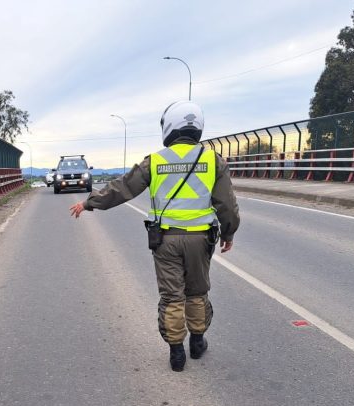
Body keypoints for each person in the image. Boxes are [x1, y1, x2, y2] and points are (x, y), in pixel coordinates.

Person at [70, 101, 240, 372]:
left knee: (173, 295)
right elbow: (227, 205)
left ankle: (176, 354)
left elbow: (123, 188)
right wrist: (229, 232)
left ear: (169, 127)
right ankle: (197, 343)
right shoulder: (212, 160)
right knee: (197, 291)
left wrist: (90, 203)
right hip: (201, 240)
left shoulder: (156, 161)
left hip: (166, 241)